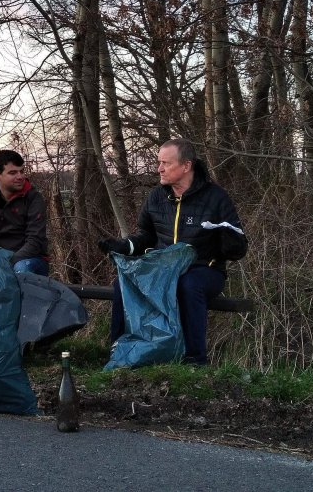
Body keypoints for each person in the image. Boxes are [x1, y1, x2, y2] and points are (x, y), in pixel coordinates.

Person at [98, 138, 247, 365]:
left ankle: (195, 359)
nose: (159, 168)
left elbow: (238, 249)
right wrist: (123, 246)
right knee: (122, 283)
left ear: (186, 166)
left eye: (165, 163)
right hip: (162, 271)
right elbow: (146, 235)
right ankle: (121, 352)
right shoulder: (157, 197)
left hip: (204, 270)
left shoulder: (215, 198)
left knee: (188, 285)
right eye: (159, 162)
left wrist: (228, 241)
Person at [0, 149, 49, 275]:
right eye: (13, 173)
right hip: (0, 256)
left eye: (22, 171)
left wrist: (7, 263)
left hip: (32, 259)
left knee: (21, 269)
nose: (20, 177)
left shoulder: (34, 198)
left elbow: (35, 241)